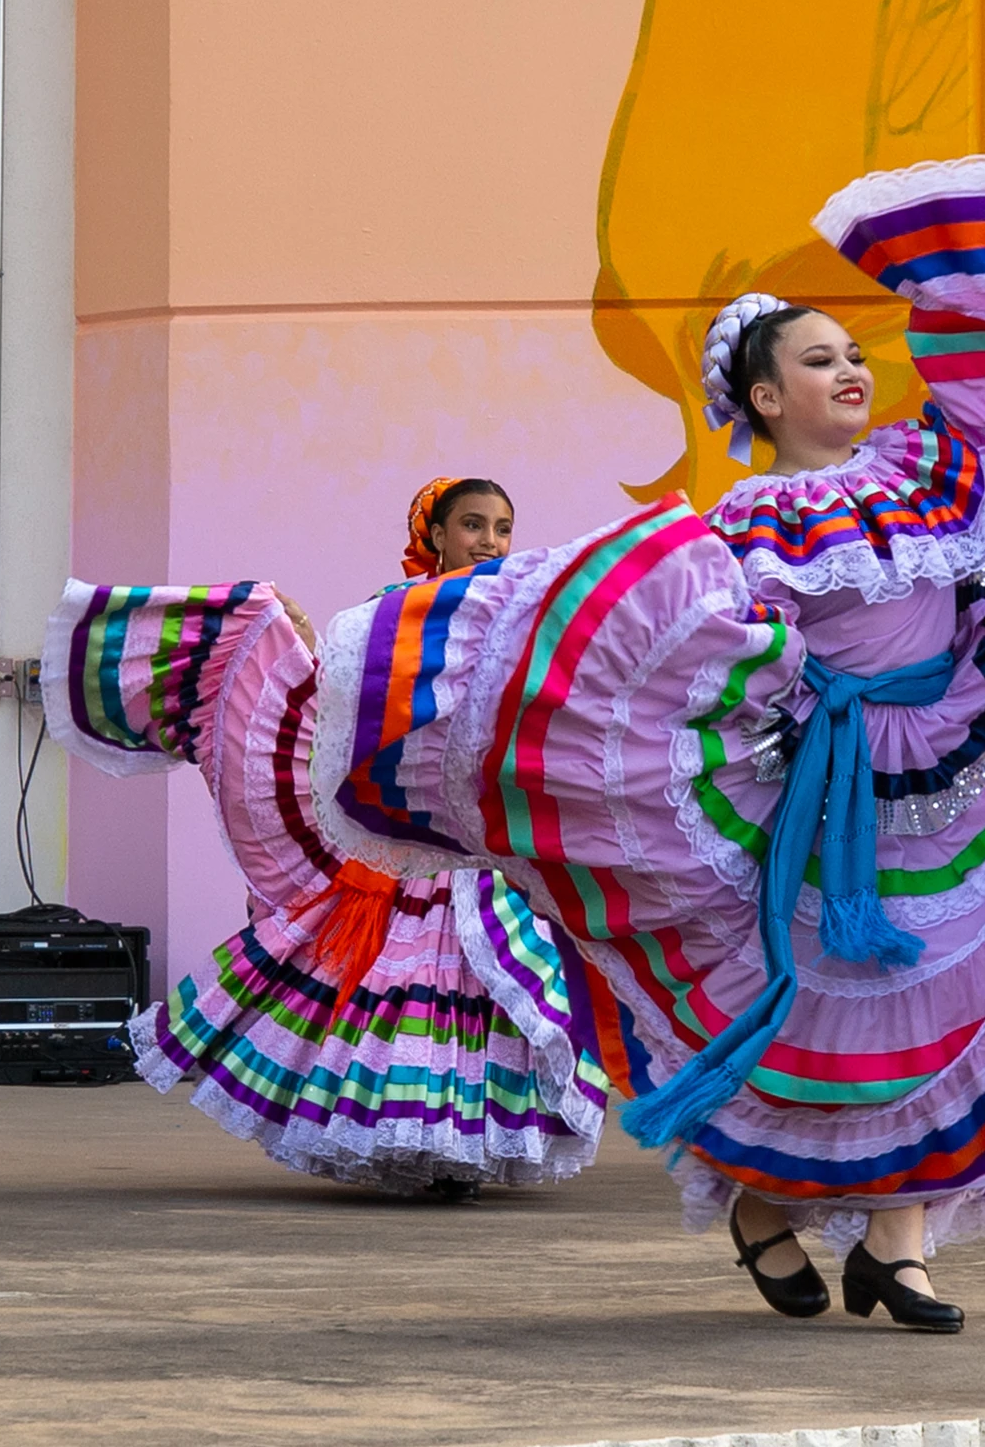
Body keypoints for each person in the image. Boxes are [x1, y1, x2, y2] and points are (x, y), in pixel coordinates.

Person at [47, 157, 985, 1332]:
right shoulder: (750, 519)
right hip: (817, 792)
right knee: (804, 1006)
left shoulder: (943, 470)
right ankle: (756, 1207)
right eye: (814, 357)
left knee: (954, 1000)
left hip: (959, 772)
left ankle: (900, 1246)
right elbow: (676, 622)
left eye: (855, 351)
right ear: (760, 391)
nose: (850, 368)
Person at [46, 476, 609, 1201]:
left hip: (483, 847)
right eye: (473, 524)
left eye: (502, 527)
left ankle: (452, 1148)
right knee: (413, 987)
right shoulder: (392, 615)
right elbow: (348, 705)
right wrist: (305, 649)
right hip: (408, 841)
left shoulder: (519, 621)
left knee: (487, 988)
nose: (491, 541)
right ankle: (415, 1146)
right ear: (435, 534)